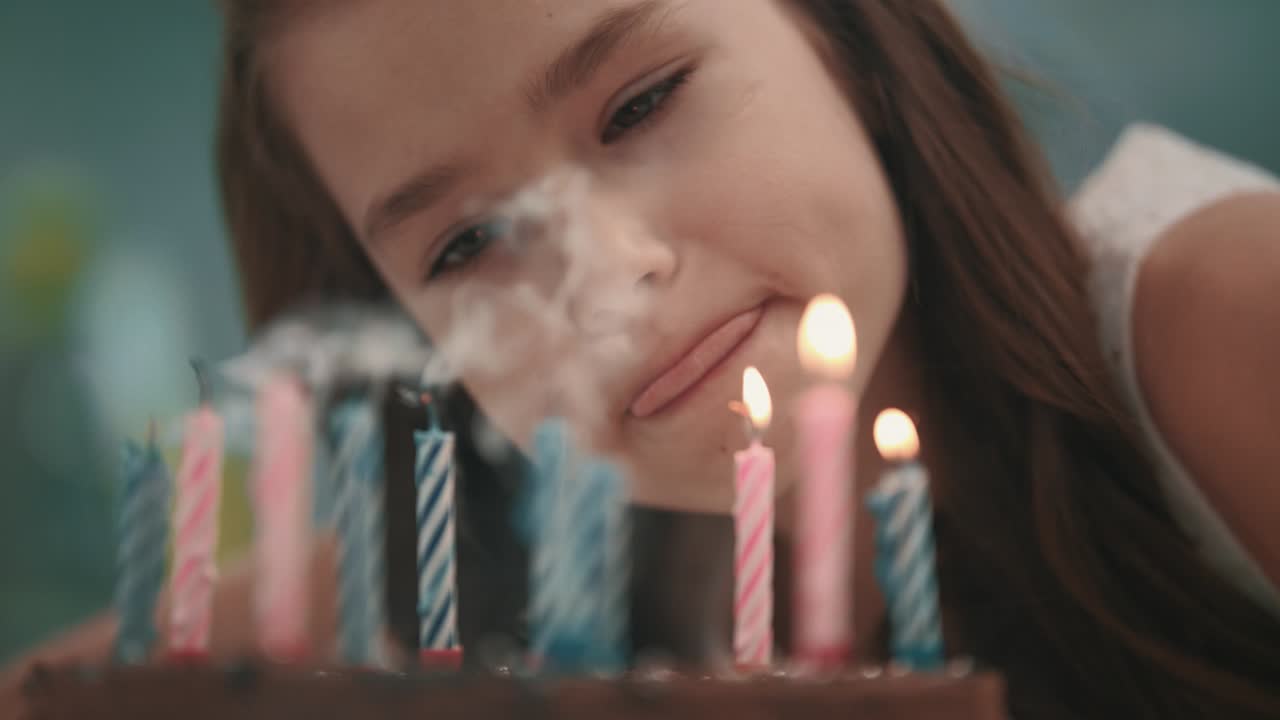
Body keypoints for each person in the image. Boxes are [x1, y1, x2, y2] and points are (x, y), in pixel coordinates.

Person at [5, 2, 1280, 717]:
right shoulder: (498, 571)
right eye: (468, 245)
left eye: (639, 104)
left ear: (846, 39)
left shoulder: (1219, 320)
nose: (605, 276)